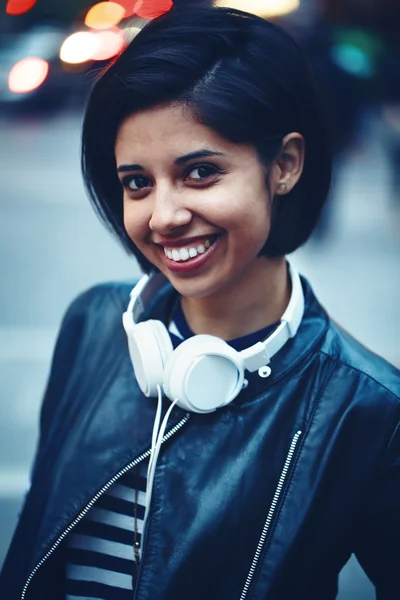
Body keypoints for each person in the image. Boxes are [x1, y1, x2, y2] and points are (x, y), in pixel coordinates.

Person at [1, 6, 399, 600]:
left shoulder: (366, 410)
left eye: (200, 172)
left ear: (284, 165)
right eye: (137, 182)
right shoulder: (92, 324)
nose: (163, 217)